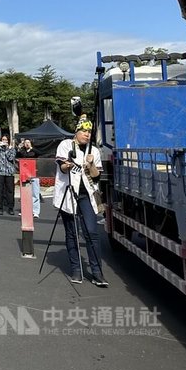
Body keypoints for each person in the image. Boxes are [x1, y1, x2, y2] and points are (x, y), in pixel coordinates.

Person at [54, 115, 107, 287]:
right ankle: (76, 270)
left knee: (92, 232)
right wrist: (67, 165)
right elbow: (61, 167)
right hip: (69, 194)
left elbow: (96, 176)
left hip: (87, 195)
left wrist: (91, 164)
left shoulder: (94, 151)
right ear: (76, 131)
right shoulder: (65, 145)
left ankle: (97, 272)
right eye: (84, 131)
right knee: (72, 233)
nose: (87, 134)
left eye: (89, 131)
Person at [0, 135, 16, 215]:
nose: (4, 141)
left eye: (6, 140)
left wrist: (8, 148)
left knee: (10, 190)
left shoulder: (11, 149)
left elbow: (10, 158)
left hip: (9, 172)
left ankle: (10, 207)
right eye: (3, 140)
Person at [16, 138, 40, 218]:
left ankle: (35, 211)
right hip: (25, 173)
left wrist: (31, 148)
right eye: (25, 142)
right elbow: (17, 155)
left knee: (35, 193)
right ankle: (24, 210)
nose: (27, 144)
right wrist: (19, 148)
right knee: (25, 193)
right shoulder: (23, 151)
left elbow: (40, 153)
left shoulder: (34, 151)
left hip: (34, 173)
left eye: (28, 142)